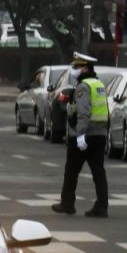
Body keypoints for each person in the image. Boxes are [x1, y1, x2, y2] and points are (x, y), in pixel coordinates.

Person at [52, 52, 109, 218]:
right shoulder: (99, 84)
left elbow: (84, 113)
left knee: (71, 171)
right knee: (98, 172)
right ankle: (102, 206)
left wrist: (80, 135)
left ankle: (67, 204)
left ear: (85, 68)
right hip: (99, 134)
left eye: (77, 66)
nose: (74, 69)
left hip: (84, 136)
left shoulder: (83, 87)